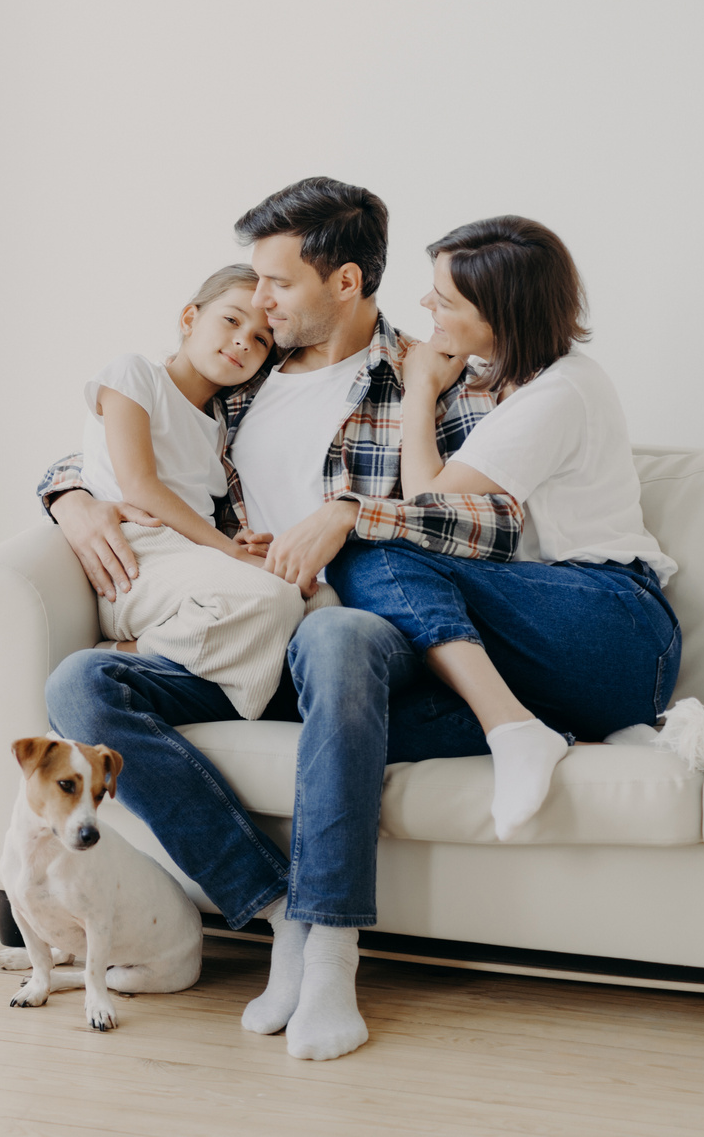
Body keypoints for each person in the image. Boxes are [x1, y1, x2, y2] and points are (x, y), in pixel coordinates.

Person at [39, 177, 520, 1061]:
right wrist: (68, 496)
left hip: (359, 634)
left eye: (276, 284)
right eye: (251, 286)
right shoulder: (242, 375)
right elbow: (128, 435)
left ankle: (332, 948)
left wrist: (345, 512)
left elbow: (490, 525)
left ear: (344, 283)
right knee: (80, 685)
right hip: (238, 631)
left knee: (333, 634)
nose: (256, 304)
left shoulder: (434, 375)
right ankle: (275, 913)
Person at [325, 217, 681, 840]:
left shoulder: (559, 391)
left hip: (616, 619)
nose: (425, 304)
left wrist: (418, 390)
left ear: (499, 318)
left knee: (368, 547)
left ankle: (511, 729)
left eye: (446, 299)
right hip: (577, 657)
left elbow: (425, 503)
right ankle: (568, 724)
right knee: (350, 715)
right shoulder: (519, 387)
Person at [82, 264, 322, 720]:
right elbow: (140, 486)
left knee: (320, 600)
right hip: (139, 557)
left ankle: (229, 684)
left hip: (195, 558)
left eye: (261, 340)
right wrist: (230, 554)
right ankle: (130, 649)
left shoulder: (219, 426)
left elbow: (206, 510)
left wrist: (246, 545)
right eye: (231, 320)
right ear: (190, 319)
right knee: (271, 599)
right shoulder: (136, 375)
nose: (242, 342)